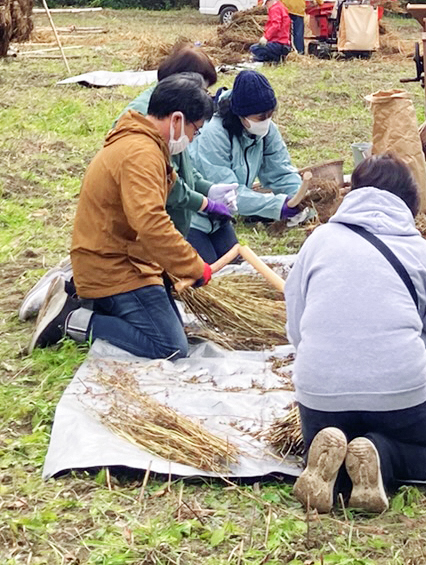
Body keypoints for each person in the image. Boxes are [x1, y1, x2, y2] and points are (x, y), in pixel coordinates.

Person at [283, 153, 426, 515]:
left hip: (322, 396)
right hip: (400, 397)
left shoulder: (318, 242)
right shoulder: (422, 254)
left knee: (322, 433)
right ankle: (381, 454)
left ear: (353, 194)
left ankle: (329, 466)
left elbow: (296, 328)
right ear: (410, 205)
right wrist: (401, 364)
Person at [30, 74, 220, 356]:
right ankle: (72, 320)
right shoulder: (140, 154)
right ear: (177, 120)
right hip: (113, 267)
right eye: (196, 130)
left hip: (128, 259)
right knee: (171, 347)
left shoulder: (146, 145)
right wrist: (193, 266)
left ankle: (99, 305)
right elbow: (151, 223)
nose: (193, 138)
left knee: (172, 327)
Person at [123, 46, 238, 260]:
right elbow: (163, 183)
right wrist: (204, 202)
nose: (204, 97)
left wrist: (207, 188)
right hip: (148, 238)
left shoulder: (177, 117)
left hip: (174, 220)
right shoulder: (147, 117)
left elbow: (182, 166)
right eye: (202, 90)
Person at [188, 68, 306, 245]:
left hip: (221, 219)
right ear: (240, 115)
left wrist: (300, 199)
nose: (266, 121)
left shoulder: (267, 131)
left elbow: (281, 172)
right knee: (215, 268)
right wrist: (276, 206)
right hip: (196, 214)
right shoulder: (213, 134)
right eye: (260, 117)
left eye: (270, 115)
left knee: (232, 260)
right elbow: (229, 193)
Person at [249, 0, 293, 65]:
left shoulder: (275, 9)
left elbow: (275, 25)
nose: (266, 7)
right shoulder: (281, 7)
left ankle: (268, 61)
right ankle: (275, 60)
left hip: (279, 44)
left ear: (269, 1)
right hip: (284, 44)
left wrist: (266, 37)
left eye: (266, 4)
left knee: (254, 48)